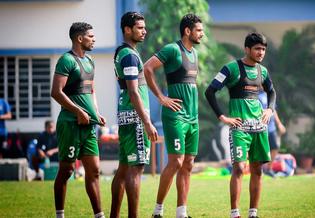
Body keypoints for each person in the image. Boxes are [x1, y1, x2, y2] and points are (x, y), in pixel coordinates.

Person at [205, 32, 276, 218]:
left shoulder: (263, 71)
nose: (261, 53)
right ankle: (235, 213)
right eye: (257, 49)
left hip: (259, 128)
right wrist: (222, 117)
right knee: (238, 168)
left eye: (263, 49)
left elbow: (272, 92)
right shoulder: (231, 68)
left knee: (258, 170)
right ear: (247, 49)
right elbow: (210, 91)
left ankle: (253, 213)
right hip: (239, 128)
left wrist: (269, 110)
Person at [144, 13, 204, 218]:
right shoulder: (172, 49)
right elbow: (147, 68)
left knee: (188, 164)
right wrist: (161, 97)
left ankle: (181, 213)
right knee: (176, 162)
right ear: (187, 31)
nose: (202, 34)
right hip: (175, 116)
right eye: (199, 30)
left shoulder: (194, 53)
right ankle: (158, 210)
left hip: (192, 117)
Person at [51, 22, 106, 218]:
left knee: (95, 171)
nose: (94, 39)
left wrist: (96, 112)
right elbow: (56, 92)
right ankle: (60, 215)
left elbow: (91, 90)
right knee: (66, 171)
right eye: (91, 36)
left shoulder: (90, 61)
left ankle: (99, 215)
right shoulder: (66, 60)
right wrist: (77, 111)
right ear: (79, 39)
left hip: (89, 126)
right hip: (70, 124)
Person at [110, 12, 158, 218]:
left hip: (126, 115)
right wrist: (147, 122)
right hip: (136, 118)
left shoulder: (122, 52)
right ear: (127, 30)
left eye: (144, 27)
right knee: (135, 169)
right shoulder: (129, 55)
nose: (144, 31)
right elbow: (133, 90)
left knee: (123, 169)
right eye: (140, 27)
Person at [258, 90, 286, 177]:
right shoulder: (255, 94)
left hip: (271, 128)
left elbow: (273, 110)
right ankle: (259, 170)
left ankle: (269, 169)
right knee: (261, 150)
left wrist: (279, 124)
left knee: (275, 147)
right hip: (260, 128)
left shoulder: (269, 94)